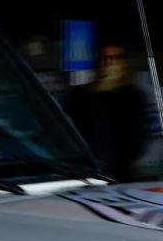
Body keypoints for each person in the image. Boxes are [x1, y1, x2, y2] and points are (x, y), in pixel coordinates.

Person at [63, 43, 148, 182]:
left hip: (120, 173)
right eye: (103, 58)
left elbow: (137, 136)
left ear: (123, 64)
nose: (106, 63)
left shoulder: (132, 96)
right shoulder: (79, 96)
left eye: (114, 58)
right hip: (85, 171)